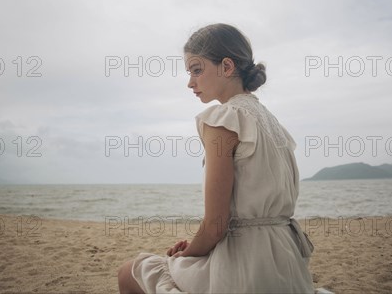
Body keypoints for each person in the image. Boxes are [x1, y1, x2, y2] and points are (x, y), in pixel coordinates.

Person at [118, 23, 316, 293]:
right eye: (189, 73)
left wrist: (184, 255)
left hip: (243, 265)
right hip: (286, 260)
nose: (190, 82)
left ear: (226, 66)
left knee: (129, 272)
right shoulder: (274, 124)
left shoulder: (223, 121)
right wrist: (196, 247)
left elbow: (216, 226)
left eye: (197, 70)